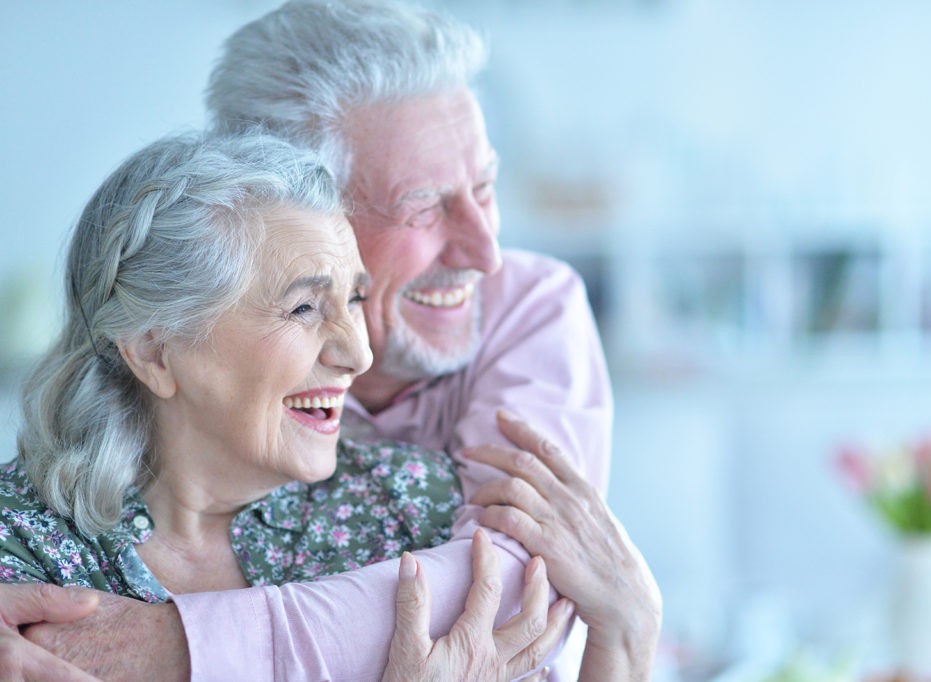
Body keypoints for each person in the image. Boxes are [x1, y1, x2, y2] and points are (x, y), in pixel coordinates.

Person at [18, 0, 662, 679]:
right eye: (424, 205)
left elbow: (514, 589)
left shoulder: (423, 465)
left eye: (485, 186)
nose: (486, 252)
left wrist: (184, 646)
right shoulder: (43, 530)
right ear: (292, 205)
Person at [3, 130, 572, 680]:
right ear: (154, 350)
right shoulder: (22, 546)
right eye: (303, 308)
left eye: (354, 299)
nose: (359, 353)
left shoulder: (416, 507)